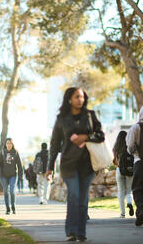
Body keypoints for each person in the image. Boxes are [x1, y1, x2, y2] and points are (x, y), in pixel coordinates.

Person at [45, 87, 105, 242]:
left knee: (83, 199)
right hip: (68, 164)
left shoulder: (90, 115)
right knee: (74, 195)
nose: (80, 99)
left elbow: (101, 135)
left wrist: (85, 137)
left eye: (82, 96)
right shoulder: (62, 119)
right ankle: (71, 231)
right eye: (77, 96)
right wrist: (50, 167)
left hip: (87, 164)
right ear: (69, 99)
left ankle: (81, 233)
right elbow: (54, 144)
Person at [0, 138, 23, 215]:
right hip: (3, 176)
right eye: (7, 143)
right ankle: (7, 208)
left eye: (10, 143)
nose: (9, 145)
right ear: (5, 144)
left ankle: (13, 206)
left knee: (12, 191)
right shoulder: (2, 153)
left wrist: (21, 176)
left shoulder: (15, 152)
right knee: (5, 191)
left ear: (12, 144)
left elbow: (19, 165)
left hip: (13, 175)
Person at [112, 131, 134, 218]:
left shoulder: (115, 148)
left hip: (119, 170)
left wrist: (118, 163)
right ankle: (129, 203)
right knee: (129, 191)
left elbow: (113, 160)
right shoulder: (129, 147)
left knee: (121, 192)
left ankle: (122, 213)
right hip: (129, 170)